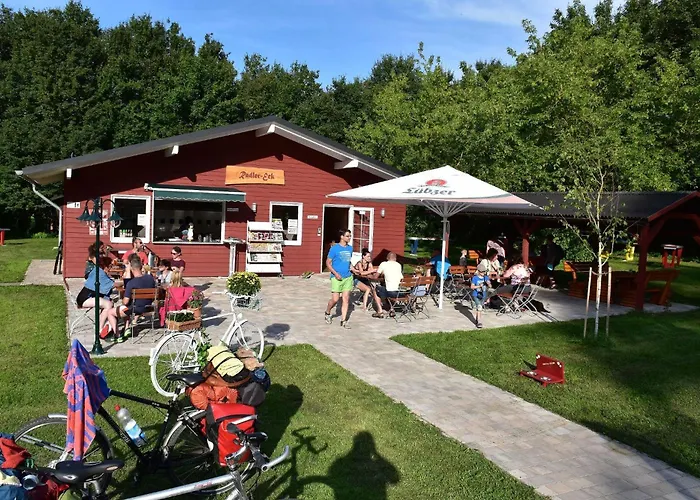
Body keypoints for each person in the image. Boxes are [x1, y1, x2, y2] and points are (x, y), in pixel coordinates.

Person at [77, 246, 118, 339]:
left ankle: (103, 325)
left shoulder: (97, 269)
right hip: (84, 299)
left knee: (108, 302)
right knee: (108, 304)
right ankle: (99, 329)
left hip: (88, 296)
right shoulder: (98, 272)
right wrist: (127, 282)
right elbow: (112, 284)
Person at [118, 257, 157, 339]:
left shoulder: (131, 283)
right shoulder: (150, 278)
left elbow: (125, 302)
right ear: (141, 267)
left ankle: (119, 332)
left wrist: (122, 301)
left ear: (131, 269)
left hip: (135, 309)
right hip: (149, 307)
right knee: (127, 306)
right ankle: (126, 328)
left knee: (114, 311)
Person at [325, 229, 353, 328]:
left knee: (346, 299)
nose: (349, 238)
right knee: (335, 299)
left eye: (350, 236)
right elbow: (328, 263)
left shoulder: (350, 248)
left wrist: (353, 269)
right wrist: (336, 274)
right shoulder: (334, 249)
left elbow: (348, 262)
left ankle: (343, 321)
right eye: (347, 236)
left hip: (348, 277)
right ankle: (327, 312)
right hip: (336, 277)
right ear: (342, 237)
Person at [352, 248, 384, 316]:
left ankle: (379, 306)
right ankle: (364, 307)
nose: (369, 258)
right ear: (363, 256)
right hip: (357, 279)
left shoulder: (369, 263)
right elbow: (362, 273)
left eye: (370, 256)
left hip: (365, 279)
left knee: (374, 290)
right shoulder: (359, 263)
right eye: (368, 256)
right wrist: (371, 271)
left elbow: (371, 272)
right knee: (368, 289)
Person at [470, 262, 492, 329]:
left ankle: (477, 320)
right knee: (479, 307)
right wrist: (479, 286)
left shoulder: (486, 277)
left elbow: (490, 285)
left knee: (479, 308)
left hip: (483, 295)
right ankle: (479, 322)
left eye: (484, 271)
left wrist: (489, 283)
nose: (484, 273)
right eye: (482, 272)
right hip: (476, 294)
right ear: (479, 271)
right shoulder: (475, 278)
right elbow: (472, 287)